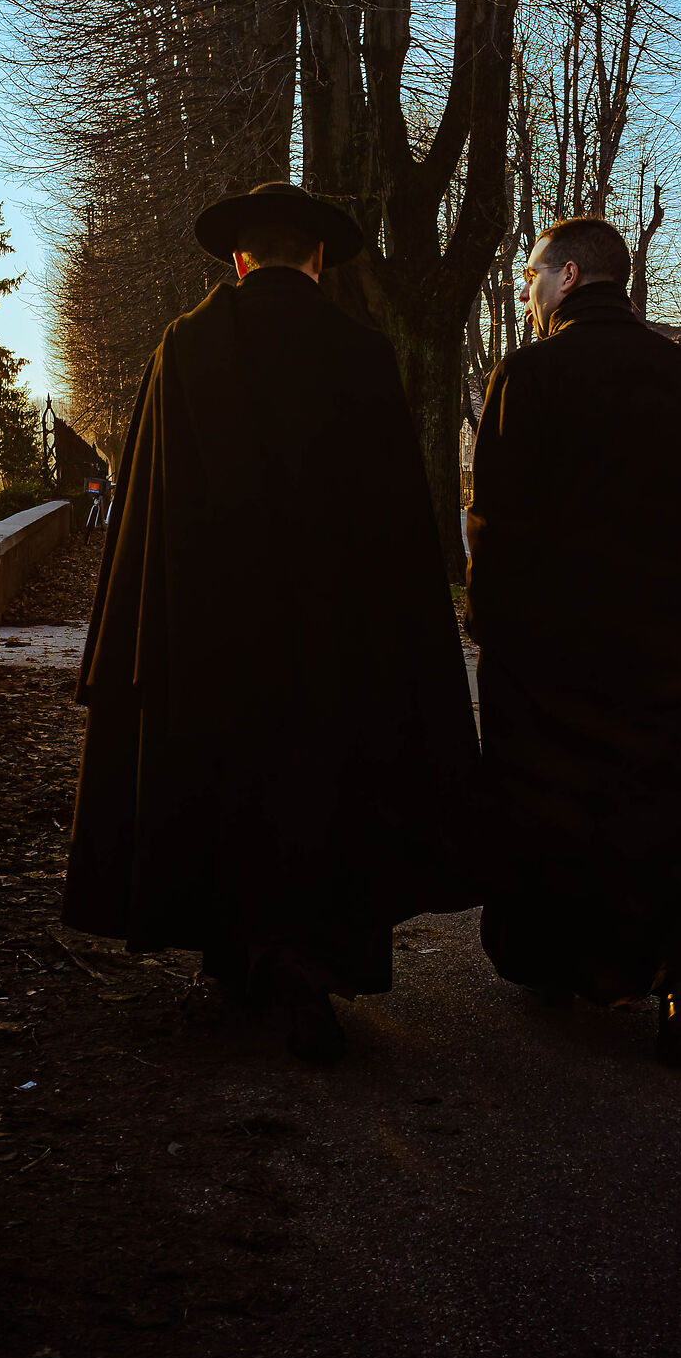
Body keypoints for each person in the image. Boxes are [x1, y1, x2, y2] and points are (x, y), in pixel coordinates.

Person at [65, 182, 479, 1062]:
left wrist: (133, 634)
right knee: (321, 787)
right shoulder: (362, 354)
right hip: (335, 640)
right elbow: (400, 527)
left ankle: (238, 950)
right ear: (318, 259)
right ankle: (305, 956)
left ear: (240, 259)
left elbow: (147, 508)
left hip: (211, 633)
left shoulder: (186, 348)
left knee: (223, 780)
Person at [464, 215, 681, 1066]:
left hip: (553, 647)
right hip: (662, 641)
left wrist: (492, 625)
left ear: (566, 277)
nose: (526, 294)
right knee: (671, 806)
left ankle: (559, 959)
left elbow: (499, 521)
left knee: (562, 807)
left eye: (531, 276)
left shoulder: (527, 377)